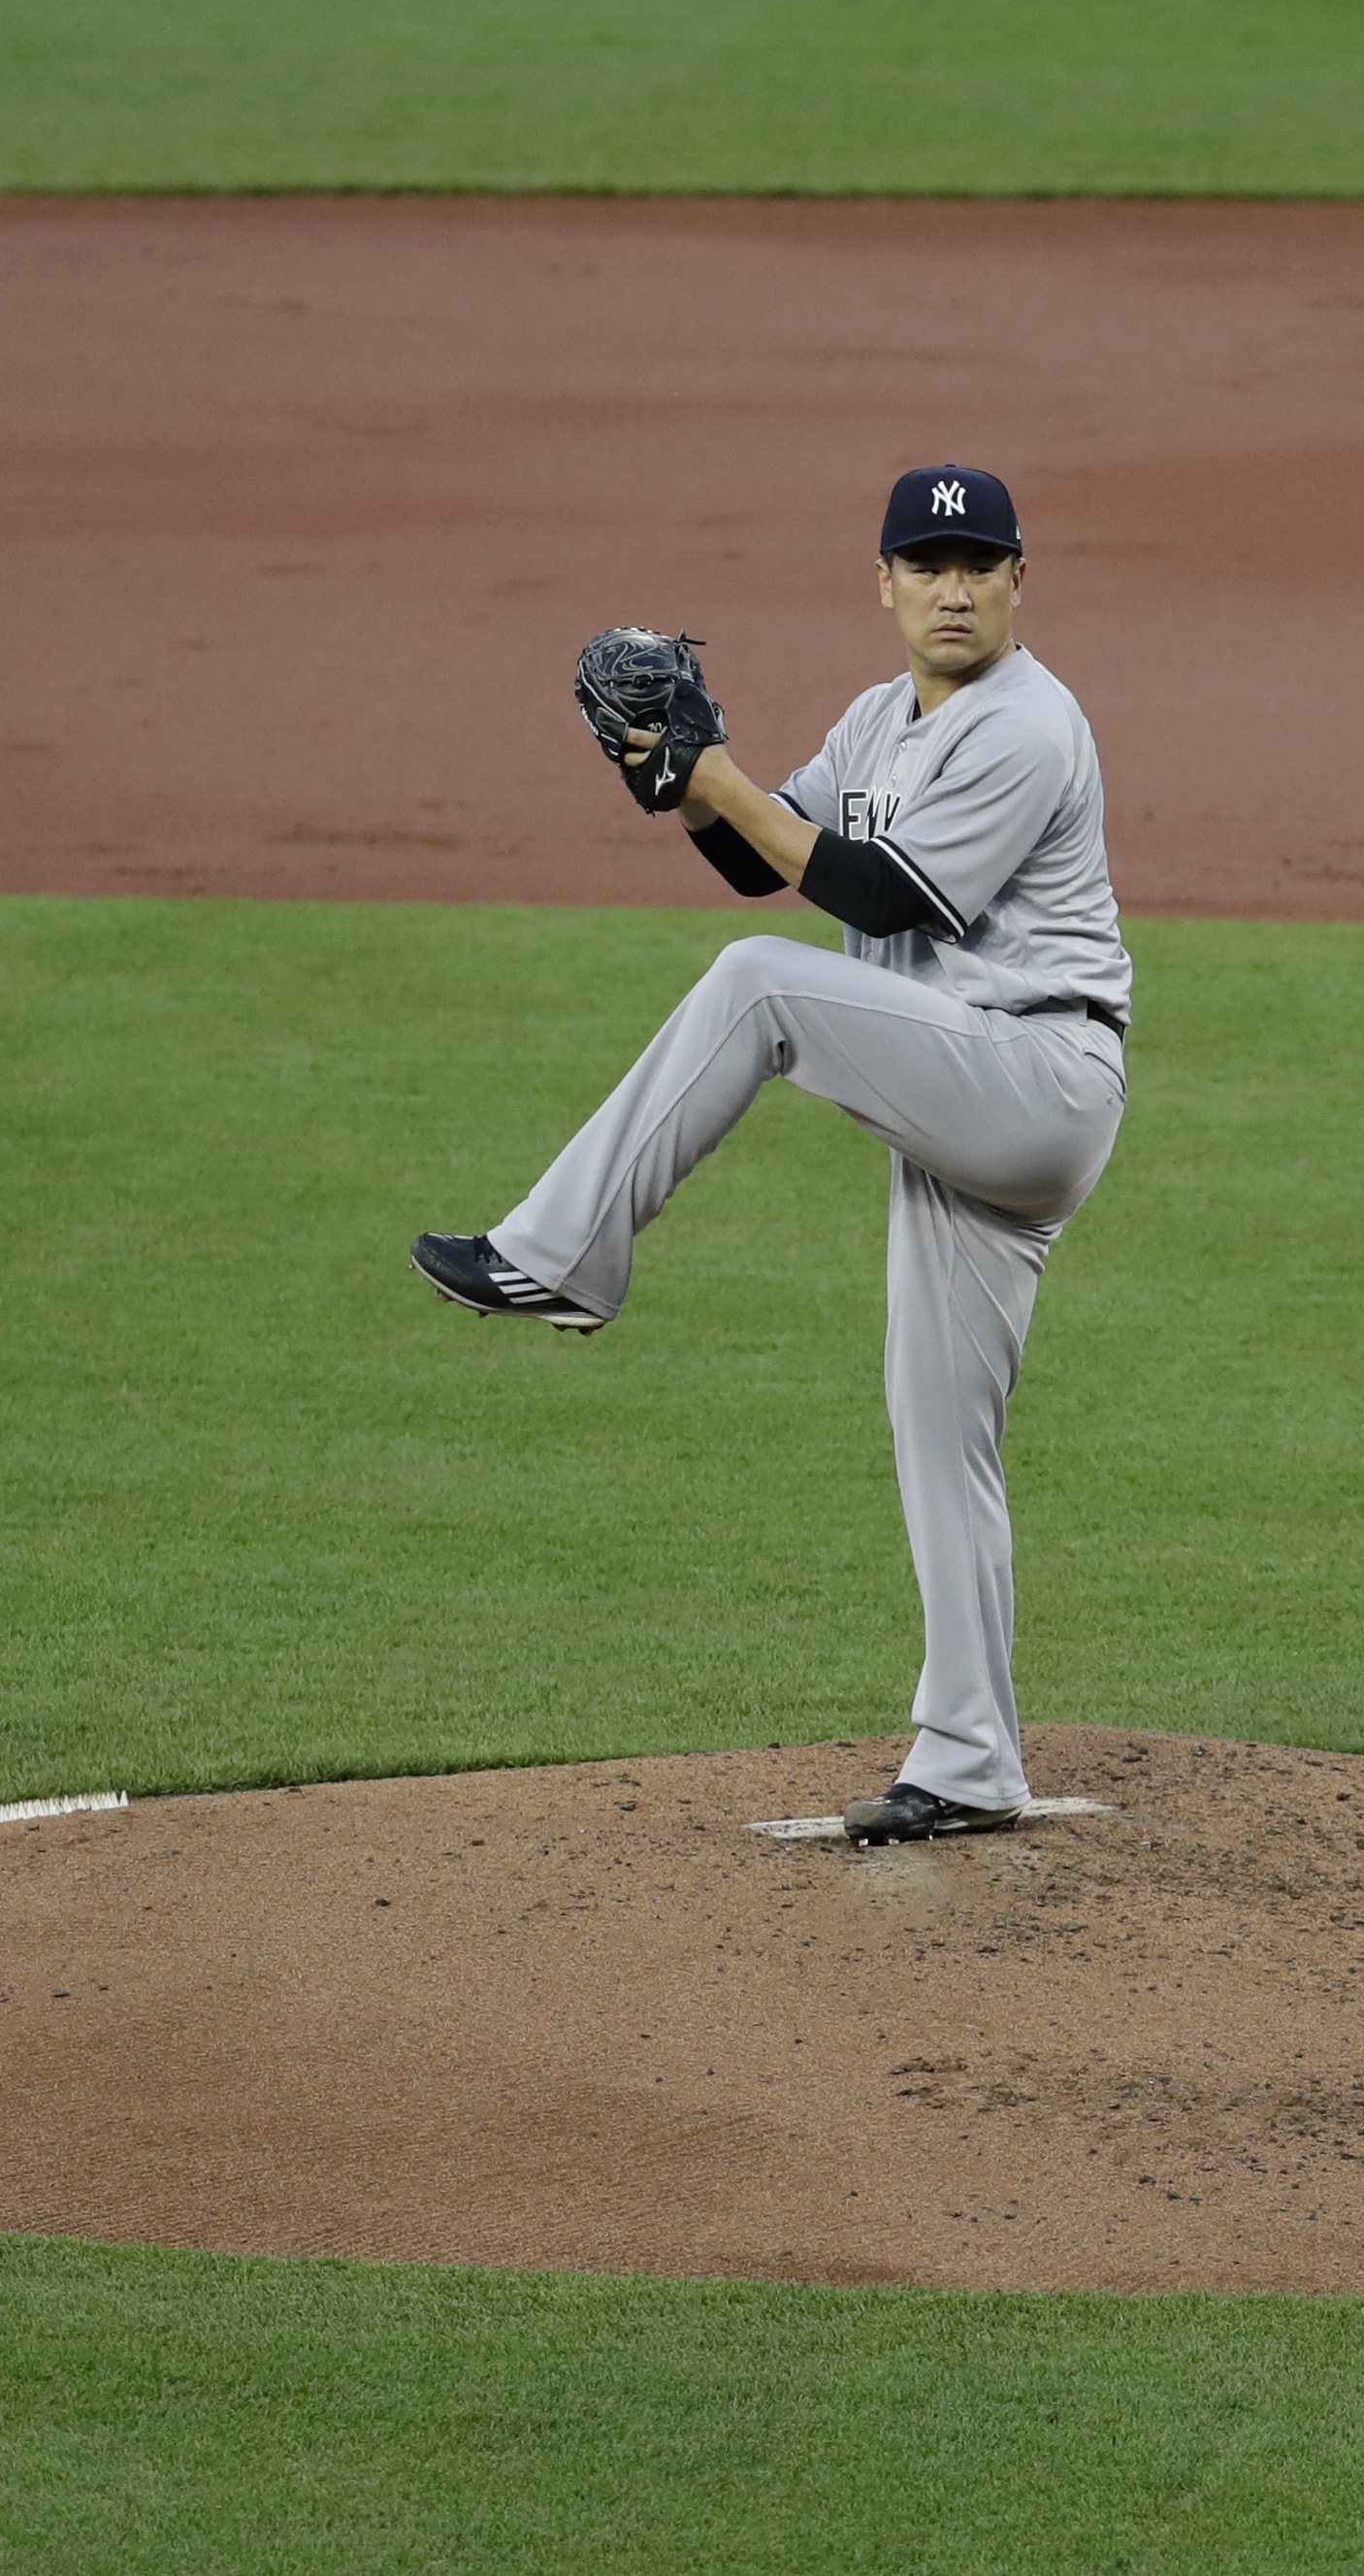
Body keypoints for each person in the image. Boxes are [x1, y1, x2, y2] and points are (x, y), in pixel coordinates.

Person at [412, 465, 1131, 1845]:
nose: (954, 588)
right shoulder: (875, 721)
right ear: (886, 585)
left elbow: (866, 891)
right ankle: (972, 1755)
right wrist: (675, 783)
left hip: (1036, 1076)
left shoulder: (1032, 727)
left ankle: (558, 1255)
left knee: (762, 985)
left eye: (979, 563)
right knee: (941, 1434)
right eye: (927, 565)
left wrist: (716, 766)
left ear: (1020, 582)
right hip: (958, 1083)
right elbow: (759, 856)